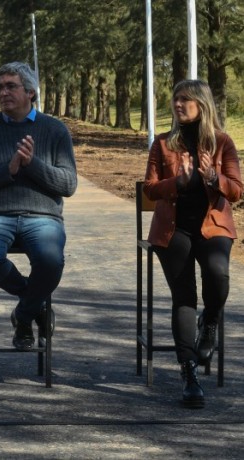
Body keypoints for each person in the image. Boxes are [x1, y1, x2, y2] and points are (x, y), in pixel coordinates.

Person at [0, 62, 78, 352]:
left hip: (42, 217)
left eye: (11, 86)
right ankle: (36, 304)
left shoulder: (55, 130)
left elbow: (68, 184)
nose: (3, 92)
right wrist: (7, 170)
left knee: (51, 261)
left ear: (31, 92)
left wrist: (32, 164)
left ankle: (23, 316)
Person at [143, 79, 241, 409]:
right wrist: (179, 182)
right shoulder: (162, 144)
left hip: (213, 228)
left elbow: (238, 190)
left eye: (186, 99)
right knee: (183, 297)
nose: (178, 104)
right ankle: (189, 373)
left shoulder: (222, 143)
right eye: (175, 99)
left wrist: (216, 179)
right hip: (173, 231)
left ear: (202, 104)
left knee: (218, 275)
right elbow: (150, 189)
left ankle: (210, 320)